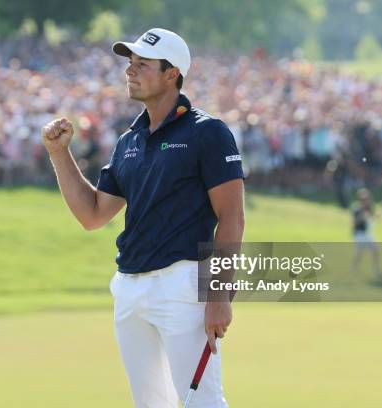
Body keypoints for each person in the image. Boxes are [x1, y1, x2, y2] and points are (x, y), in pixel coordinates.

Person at [42, 28, 244, 408]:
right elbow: (93, 214)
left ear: (172, 75)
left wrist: (220, 295)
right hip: (130, 288)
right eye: (130, 64)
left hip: (182, 286)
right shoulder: (129, 141)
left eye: (143, 65)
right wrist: (59, 154)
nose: (130, 72)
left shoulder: (208, 133)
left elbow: (232, 217)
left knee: (202, 402)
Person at [350, 188, 382, 286]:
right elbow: (355, 223)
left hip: (368, 234)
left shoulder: (370, 208)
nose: (366, 201)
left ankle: (376, 270)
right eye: (364, 199)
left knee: (376, 250)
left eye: (367, 199)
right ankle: (354, 268)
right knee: (359, 253)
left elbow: (375, 218)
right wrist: (362, 215)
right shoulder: (357, 208)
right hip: (360, 234)